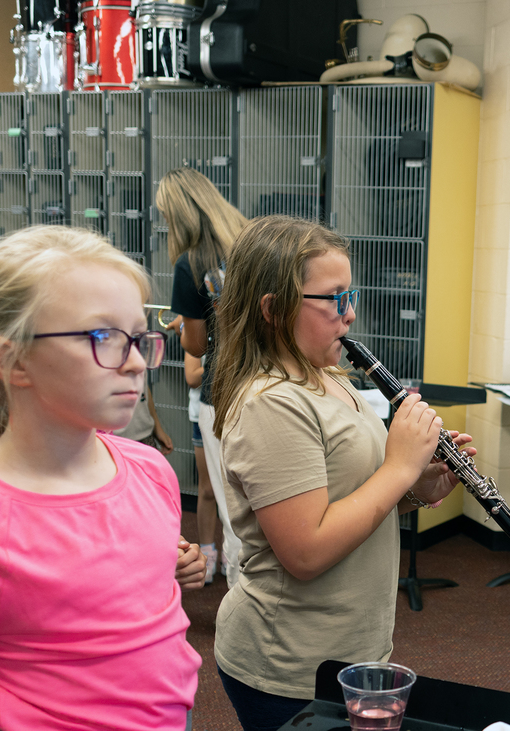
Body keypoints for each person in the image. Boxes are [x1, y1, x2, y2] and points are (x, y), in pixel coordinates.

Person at [0, 226, 204, 731]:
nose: (138, 362)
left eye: (140, 339)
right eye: (104, 338)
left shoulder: (151, 471)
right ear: (10, 360)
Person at [209, 215, 472, 731]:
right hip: (288, 664)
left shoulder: (328, 376)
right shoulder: (271, 403)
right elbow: (307, 551)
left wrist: (417, 487)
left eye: (350, 296)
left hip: (346, 651)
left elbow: (349, 497)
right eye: (333, 299)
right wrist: (398, 467)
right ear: (272, 309)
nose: (349, 315)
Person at [157, 167, 248, 587]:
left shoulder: (190, 264)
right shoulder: (253, 244)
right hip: (267, 384)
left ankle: (241, 605)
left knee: (233, 510)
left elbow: (196, 347)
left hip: (221, 392)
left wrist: (188, 323)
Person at [186, 351, 220, 584]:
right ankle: (207, 550)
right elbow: (192, 376)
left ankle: (234, 550)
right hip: (203, 415)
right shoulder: (199, 332)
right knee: (207, 488)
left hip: (235, 411)